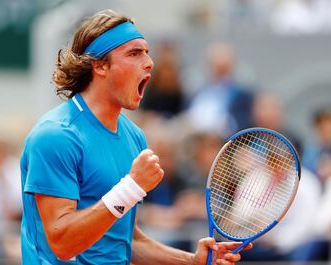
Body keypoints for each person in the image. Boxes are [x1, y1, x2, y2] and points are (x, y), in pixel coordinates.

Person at [20, 9, 250, 265]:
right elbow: (62, 243)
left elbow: (130, 241)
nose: (149, 62)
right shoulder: (56, 135)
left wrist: (192, 261)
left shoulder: (134, 138)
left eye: (146, 52)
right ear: (100, 64)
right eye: (134, 53)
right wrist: (129, 188)